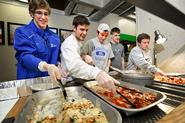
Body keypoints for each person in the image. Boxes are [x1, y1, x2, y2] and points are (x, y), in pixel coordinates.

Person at [61, 15, 119, 93]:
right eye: (82, 29)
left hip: (77, 79)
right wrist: (97, 73)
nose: (85, 33)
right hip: (69, 82)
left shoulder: (78, 42)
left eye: (86, 30)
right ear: (74, 28)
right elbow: (75, 65)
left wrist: (84, 57)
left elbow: (77, 58)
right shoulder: (69, 43)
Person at [14, 0, 66, 82]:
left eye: (46, 14)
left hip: (48, 81)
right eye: (39, 13)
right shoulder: (22, 32)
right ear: (32, 14)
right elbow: (25, 56)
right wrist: (46, 66)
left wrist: (60, 65)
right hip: (28, 81)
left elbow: (58, 57)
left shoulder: (54, 37)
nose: (43, 17)